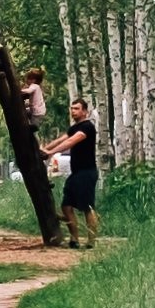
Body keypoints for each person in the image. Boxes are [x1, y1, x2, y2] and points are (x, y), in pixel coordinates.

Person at [46, 96, 103, 250]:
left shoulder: (87, 127)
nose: (73, 111)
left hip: (87, 172)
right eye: (72, 108)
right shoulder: (74, 127)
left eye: (77, 108)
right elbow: (61, 139)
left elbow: (70, 142)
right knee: (66, 206)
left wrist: (50, 152)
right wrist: (44, 148)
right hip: (76, 173)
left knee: (87, 207)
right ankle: (74, 239)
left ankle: (91, 241)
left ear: (85, 111)